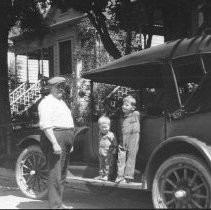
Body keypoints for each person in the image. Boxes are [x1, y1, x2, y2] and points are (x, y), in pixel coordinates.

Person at [38, 76, 74, 209]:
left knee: (62, 174)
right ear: (50, 88)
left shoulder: (61, 102)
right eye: (58, 87)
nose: (61, 89)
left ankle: (58, 203)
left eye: (62, 87)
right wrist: (54, 143)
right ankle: (54, 206)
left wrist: (71, 143)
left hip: (65, 139)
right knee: (55, 174)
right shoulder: (46, 103)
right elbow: (46, 125)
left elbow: (67, 123)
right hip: (55, 137)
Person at [115, 95, 140, 184]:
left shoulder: (135, 115)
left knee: (131, 158)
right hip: (123, 139)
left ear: (133, 108)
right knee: (121, 158)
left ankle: (128, 177)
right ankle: (120, 176)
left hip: (132, 140)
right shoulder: (122, 117)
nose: (123, 106)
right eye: (123, 104)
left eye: (126, 105)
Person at [94, 115, 117, 181]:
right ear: (99, 127)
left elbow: (115, 143)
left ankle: (107, 176)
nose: (104, 129)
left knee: (108, 165)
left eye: (106, 127)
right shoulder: (100, 133)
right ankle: (101, 174)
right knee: (101, 164)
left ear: (109, 126)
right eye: (102, 127)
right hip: (101, 152)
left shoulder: (111, 134)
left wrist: (114, 150)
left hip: (108, 153)